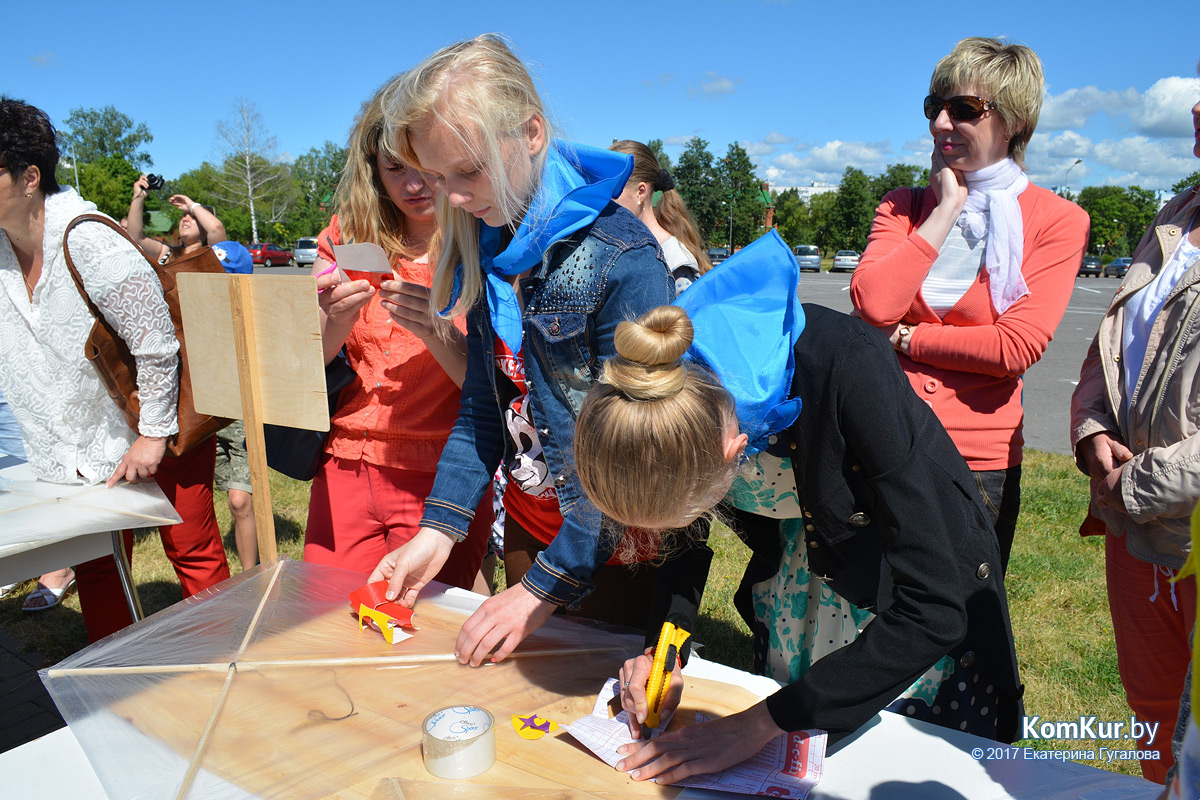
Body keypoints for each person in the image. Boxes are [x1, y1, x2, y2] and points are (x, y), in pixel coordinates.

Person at [573, 232, 1022, 783]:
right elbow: (681, 546)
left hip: (899, 610)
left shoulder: (848, 367)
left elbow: (934, 609)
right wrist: (664, 645)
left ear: (737, 452)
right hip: (797, 596)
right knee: (800, 777)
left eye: (693, 512)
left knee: (883, 774)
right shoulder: (665, 395)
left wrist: (758, 724)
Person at [368, 35, 673, 666]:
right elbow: (486, 402)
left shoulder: (622, 258)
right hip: (533, 527)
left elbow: (641, 453)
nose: (451, 198)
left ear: (531, 133)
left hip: (618, 550)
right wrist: (438, 530)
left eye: (468, 171)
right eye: (436, 176)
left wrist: (541, 592)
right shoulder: (493, 248)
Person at [851, 37, 1089, 571]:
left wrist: (909, 338)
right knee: (869, 611)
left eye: (963, 110)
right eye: (934, 108)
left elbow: (1014, 346)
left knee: (959, 625)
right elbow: (872, 306)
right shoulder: (905, 204)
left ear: (1012, 120)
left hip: (975, 459)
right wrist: (945, 210)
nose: (940, 123)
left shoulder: (1057, 220)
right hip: (876, 435)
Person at [0, 97, 229, 642]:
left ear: (29, 177)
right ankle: (118, 684)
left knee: (191, 551)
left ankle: (226, 657)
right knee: (98, 562)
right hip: (76, 445)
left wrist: (151, 435)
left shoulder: (87, 237)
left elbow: (156, 342)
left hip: (155, 425)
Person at [302, 76, 491, 588]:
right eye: (395, 169)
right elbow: (306, 363)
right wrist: (336, 320)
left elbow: (495, 388)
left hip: (443, 471)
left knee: (425, 633)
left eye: (426, 168)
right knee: (324, 615)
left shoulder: (486, 244)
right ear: (373, 172)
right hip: (345, 462)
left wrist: (436, 331)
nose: (413, 185)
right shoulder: (345, 238)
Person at [1069, 84, 1200, 785]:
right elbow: (1108, 346)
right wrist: (1091, 426)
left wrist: (1137, 481)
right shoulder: (1175, 216)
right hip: (1139, 535)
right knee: (1155, 727)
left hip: (1181, 523)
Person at [126, 177, 259, 571]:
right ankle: (220, 566)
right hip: (190, 391)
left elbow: (216, 231)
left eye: (193, 218)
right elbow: (133, 238)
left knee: (238, 498)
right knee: (203, 495)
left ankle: (251, 575)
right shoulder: (168, 259)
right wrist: (138, 197)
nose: (185, 220)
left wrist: (191, 204)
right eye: (181, 218)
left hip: (228, 383)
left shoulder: (225, 255)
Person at [609, 140, 710, 293]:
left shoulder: (675, 262)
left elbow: (684, 316)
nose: (604, 199)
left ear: (640, 192)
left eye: (612, 190)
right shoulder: (620, 247)